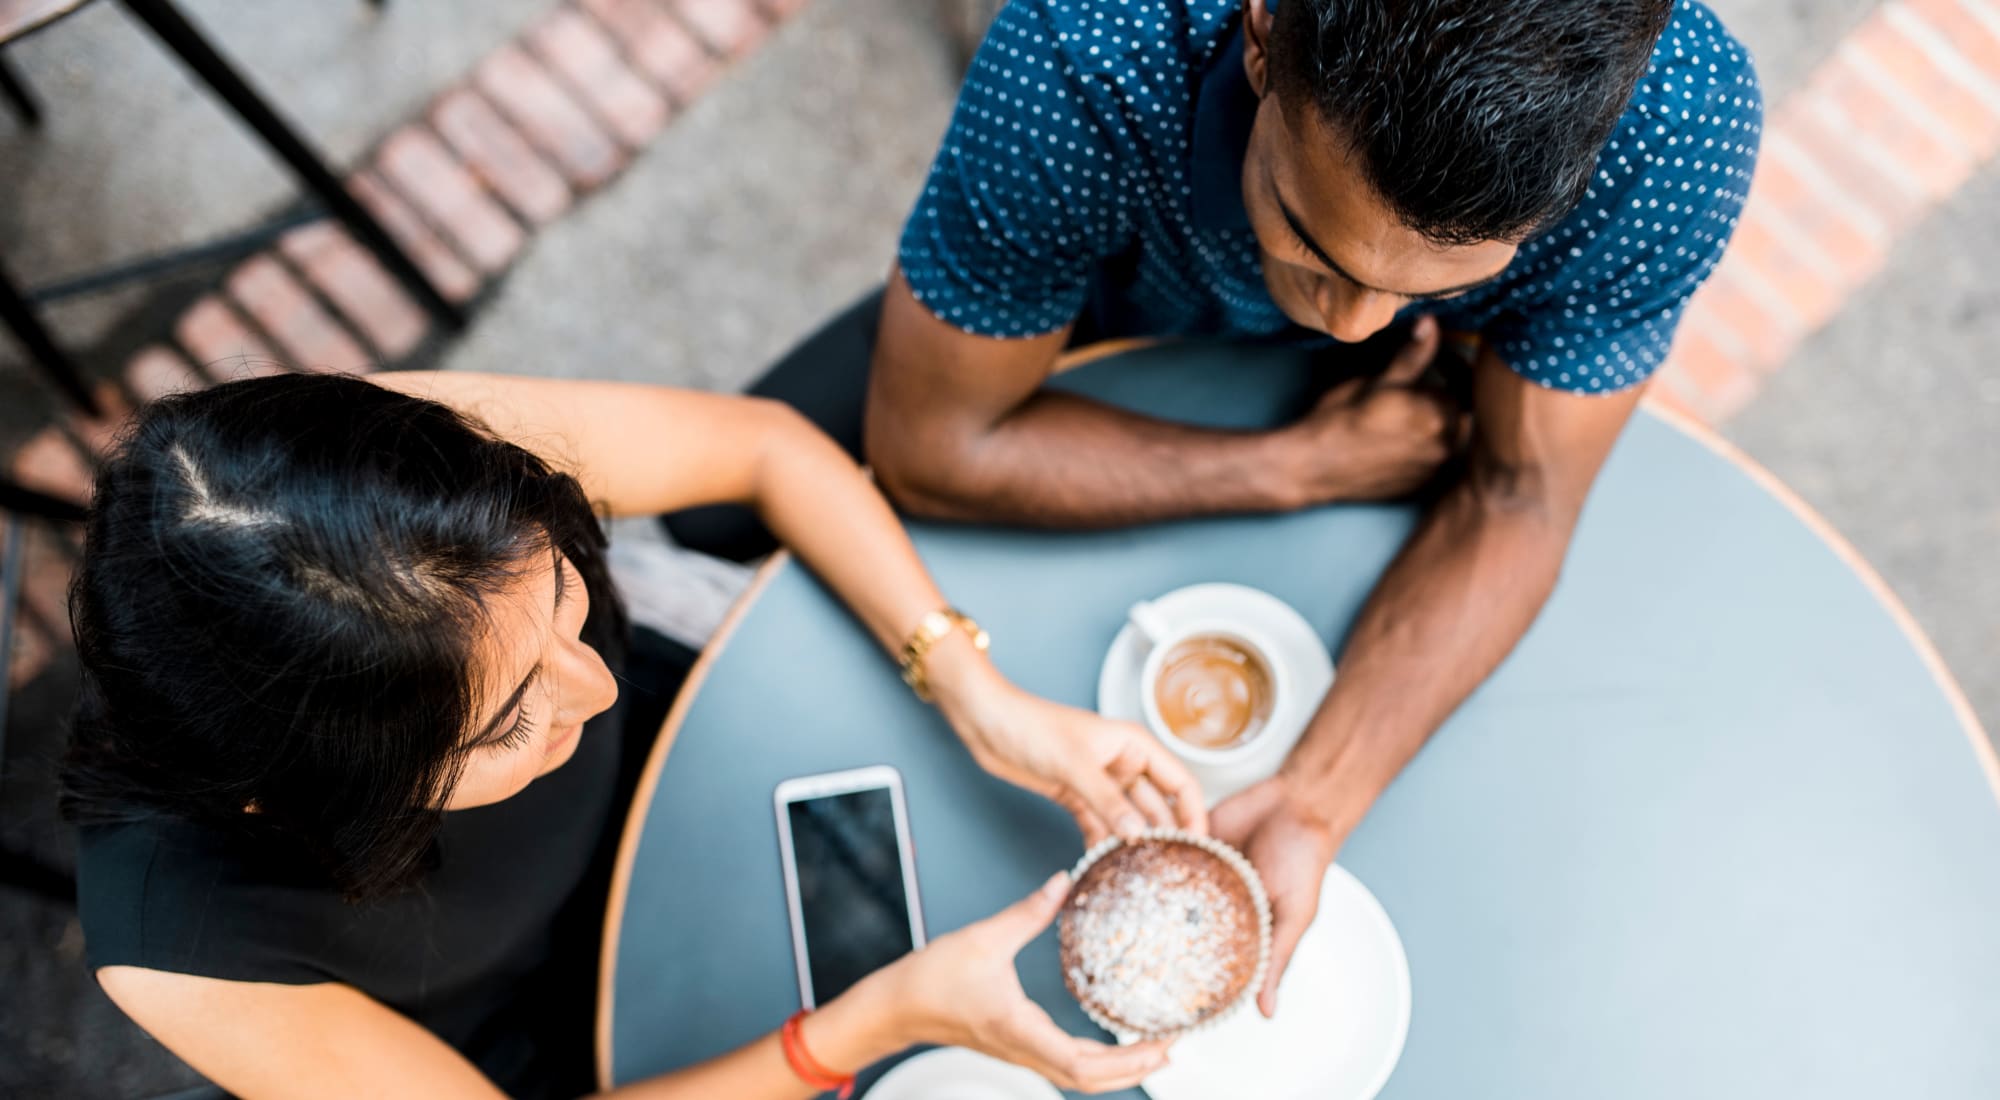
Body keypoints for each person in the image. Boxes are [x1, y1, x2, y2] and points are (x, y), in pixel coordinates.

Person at [664, 0, 1762, 1017]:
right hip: (1060, 333)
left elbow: (1521, 493)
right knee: (688, 544)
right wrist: (1293, 467)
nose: (1352, 327)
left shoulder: (1674, 134)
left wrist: (1313, 802)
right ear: (1261, 33)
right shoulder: (1081, 50)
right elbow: (934, 446)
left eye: (1429, 289)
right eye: (1312, 237)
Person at [64, 371, 1205, 1099]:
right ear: (307, 794)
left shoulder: (395, 483)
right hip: (564, 1031)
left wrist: (967, 684)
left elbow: (765, 449)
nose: (596, 686)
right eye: (510, 716)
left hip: (711, 737)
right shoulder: (181, 943)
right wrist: (866, 1024)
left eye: (562, 594)